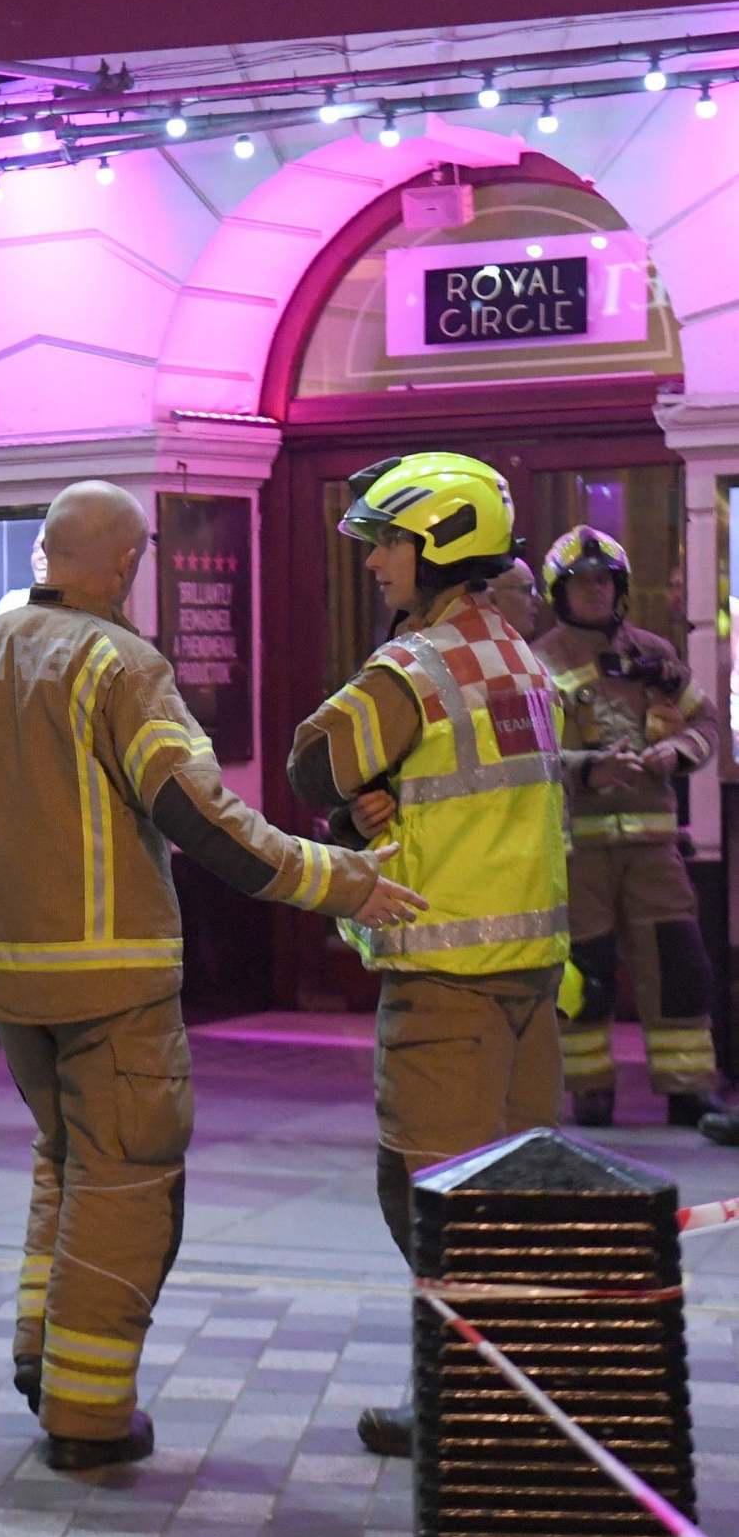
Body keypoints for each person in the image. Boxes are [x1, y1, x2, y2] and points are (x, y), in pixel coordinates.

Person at [0, 479, 414, 1472]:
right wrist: (339, 880)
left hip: (9, 974)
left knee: (66, 1162)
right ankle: (86, 1416)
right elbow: (198, 816)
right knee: (127, 1184)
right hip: (112, 979)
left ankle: (41, 1351)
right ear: (125, 562)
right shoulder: (119, 664)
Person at [288, 452, 569, 1459]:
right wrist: (387, 799)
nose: (374, 562)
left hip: (445, 981)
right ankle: (520, 1384)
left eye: (387, 543)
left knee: (428, 1194)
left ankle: (470, 1398)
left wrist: (352, 801)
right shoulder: (519, 655)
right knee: (510, 1195)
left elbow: (313, 759)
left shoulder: (415, 665)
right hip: (531, 976)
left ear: (438, 543)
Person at [531, 527, 719, 1128]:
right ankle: (590, 1092)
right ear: (558, 591)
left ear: (620, 588)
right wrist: (588, 767)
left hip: (653, 853)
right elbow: (521, 759)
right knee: (585, 977)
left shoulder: (655, 655)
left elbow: (709, 725)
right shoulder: (536, 664)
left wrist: (677, 753)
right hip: (576, 854)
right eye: (582, 581)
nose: (595, 590)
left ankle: (687, 1089)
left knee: (679, 968)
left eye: (604, 580)